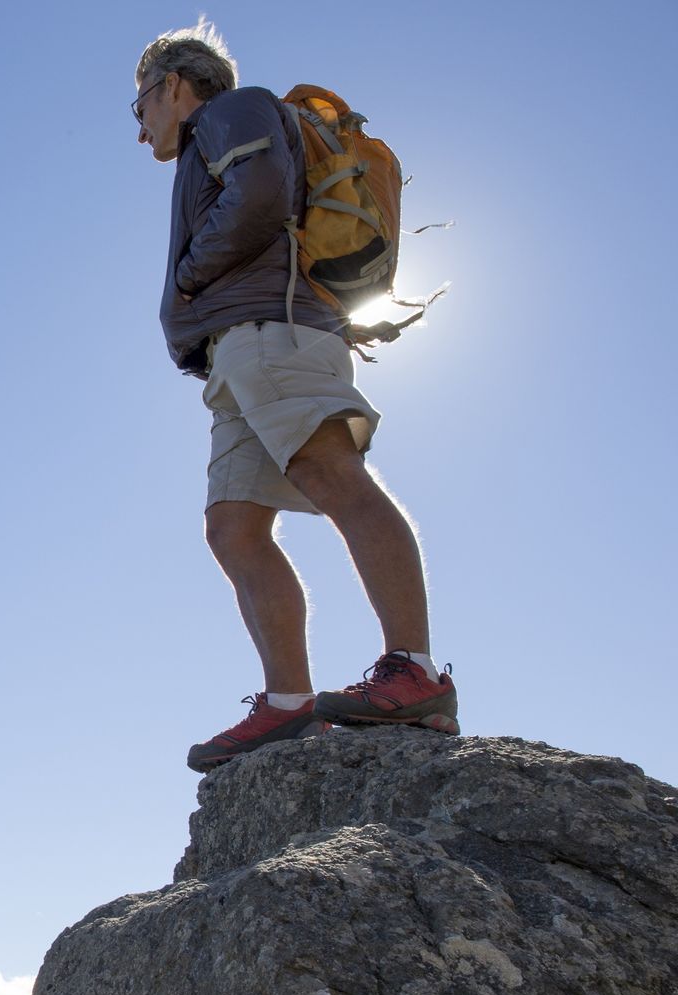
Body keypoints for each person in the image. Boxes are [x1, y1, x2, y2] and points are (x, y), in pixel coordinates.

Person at [129, 20, 460, 773]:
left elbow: (261, 195)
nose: (140, 125)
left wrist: (187, 279)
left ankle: (416, 673)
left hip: (271, 327)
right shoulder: (216, 128)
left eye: (139, 105)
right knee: (233, 527)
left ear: (174, 85)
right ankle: (287, 708)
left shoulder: (231, 111)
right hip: (238, 349)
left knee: (329, 471)